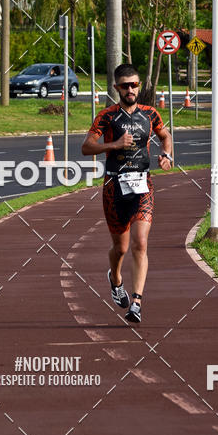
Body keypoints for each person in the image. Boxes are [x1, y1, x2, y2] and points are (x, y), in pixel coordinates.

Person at [81, 64, 173, 324]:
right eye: (125, 86)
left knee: (140, 243)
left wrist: (167, 154)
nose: (130, 89)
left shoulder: (150, 114)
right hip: (114, 187)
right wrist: (114, 144)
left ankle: (137, 303)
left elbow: (166, 137)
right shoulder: (107, 116)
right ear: (116, 88)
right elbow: (86, 147)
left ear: (139, 85)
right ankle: (115, 278)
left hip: (143, 186)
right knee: (120, 248)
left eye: (134, 85)